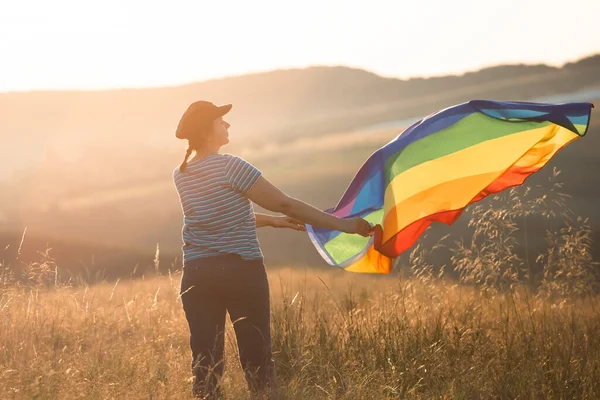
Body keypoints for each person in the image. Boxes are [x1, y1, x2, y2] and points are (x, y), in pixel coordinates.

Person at [172, 101, 373, 398]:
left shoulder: (182, 173)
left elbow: (219, 216)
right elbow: (285, 202)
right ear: (206, 130)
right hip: (240, 271)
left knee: (205, 362)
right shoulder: (231, 166)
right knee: (257, 359)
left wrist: (274, 223)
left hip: (197, 273)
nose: (227, 125)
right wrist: (342, 225)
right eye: (221, 121)